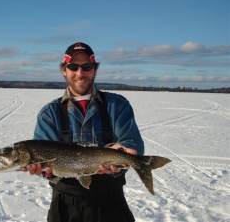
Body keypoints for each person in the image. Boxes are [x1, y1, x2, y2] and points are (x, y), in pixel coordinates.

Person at [22, 42, 144, 222]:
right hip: (65, 208)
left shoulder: (117, 105)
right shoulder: (49, 114)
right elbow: (44, 162)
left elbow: (132, 141)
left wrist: (125, 149)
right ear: (64, 70)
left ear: (95, 70)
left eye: (87, 67)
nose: (80, 73)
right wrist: (45, 171)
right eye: (73, 67)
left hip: (112, 206)